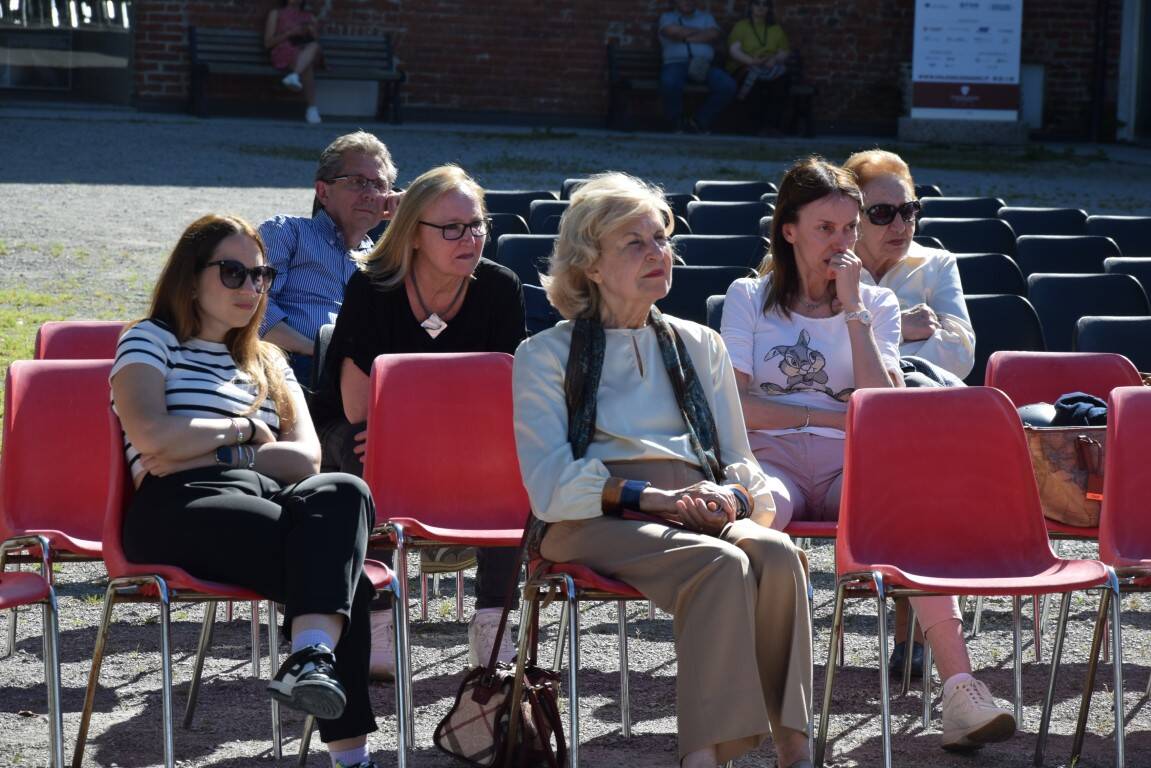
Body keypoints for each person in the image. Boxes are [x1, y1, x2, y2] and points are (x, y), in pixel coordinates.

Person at [513, 172, 813, 768]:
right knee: (719, 563)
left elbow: (741, 461)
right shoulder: (545, 354)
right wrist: (654, 499)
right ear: (590, 265)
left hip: (696, 502)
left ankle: (795, 750)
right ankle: (702, 758)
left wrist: (731, 498)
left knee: (776, 554)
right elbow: (550, 484)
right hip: (592, 511)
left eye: (661, 238)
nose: (658, 254)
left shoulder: (701, 344)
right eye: (635, 243)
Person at [721, 157, 1016, 752]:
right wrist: (830, 414)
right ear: (789, 231)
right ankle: (754, 696)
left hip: (846, 464)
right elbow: (741, 408)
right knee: (762, 516)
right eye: (826, 228)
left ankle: (959, 691)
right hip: (770, 458)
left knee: (909, 517)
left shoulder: (875, 304)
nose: (842, 242)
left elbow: (883, 408)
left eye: (850, 229)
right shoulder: (749, 297)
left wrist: (854, 309)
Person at [110, 214, 381, 768]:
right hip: (177, 504)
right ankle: (349, 751)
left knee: (344, 488)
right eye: (233, 273)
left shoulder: (268, 361)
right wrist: (245, 431)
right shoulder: (149, 339)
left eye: (262, 275)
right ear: (190, 278)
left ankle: (310, 654)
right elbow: (154, 439)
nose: (251, 288)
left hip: (259, 497)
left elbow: (304, 458)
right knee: (341, 576)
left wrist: (210, 445)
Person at [313, 164, 527, 680]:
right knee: (366, 455)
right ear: (413, 234)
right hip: (371, 431)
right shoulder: (372, 289)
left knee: (517, 464)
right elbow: (356, 404)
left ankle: (494, 619)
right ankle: (380, 615)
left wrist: (448, 439)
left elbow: (502, 396)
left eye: (475, 225)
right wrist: (423, 434)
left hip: (466, 439)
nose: (468, 238)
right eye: (450, 228)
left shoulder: (499, 287)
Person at [258, 131, 401, 387]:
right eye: (357, 182)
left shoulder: (382, 261)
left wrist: (412, 218)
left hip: (357, 378)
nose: (370, 194)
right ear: (323, 192)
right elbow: (256, 308)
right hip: (292, 366)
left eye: (379, 185)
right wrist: (319, 351)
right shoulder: (288, 232)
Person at [844, 148, 976, 383]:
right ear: (852, 217)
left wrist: (865, 343)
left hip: (922, 401)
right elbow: (817, 356)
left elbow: (960, 356)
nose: (899, 227)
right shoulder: (831, 266)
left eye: (907, 211)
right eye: (882, 213)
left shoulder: (938, 264)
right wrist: (898, 328)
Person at [658, 0, 737, 133]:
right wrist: (701, 33)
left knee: (728, 85)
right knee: (669, 82)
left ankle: (699, 122)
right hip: (675, 63)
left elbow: (715, 34)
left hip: (703, 64)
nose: (687, 2)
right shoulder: (667, 17)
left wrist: (685, 37)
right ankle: (676, 122)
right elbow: (673, 32)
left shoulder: (706, 17)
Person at [727, 0, 793, 136]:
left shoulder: (776, 29)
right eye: (757, 4)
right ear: (751, 7)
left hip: (770, 66)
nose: (761, 7)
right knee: (754, 84)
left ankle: (772, 126)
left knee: (782, 82)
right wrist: (752, 61)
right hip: (746, 65)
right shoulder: (741, 26)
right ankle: (754, 127)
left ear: (769, 9)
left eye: (765, 5)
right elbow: (734, 50)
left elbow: (784, 51)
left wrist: (774, 60)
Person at [265, 0, 323, 124]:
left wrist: (312, 31)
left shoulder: (309, 16)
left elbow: (315, 40)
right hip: (283, 50)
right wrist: (290, 33)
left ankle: (294, 75)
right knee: (306, 66)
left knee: (314, 46)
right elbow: (268, 43)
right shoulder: (276, 13)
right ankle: (312, 108)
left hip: (303, 49)